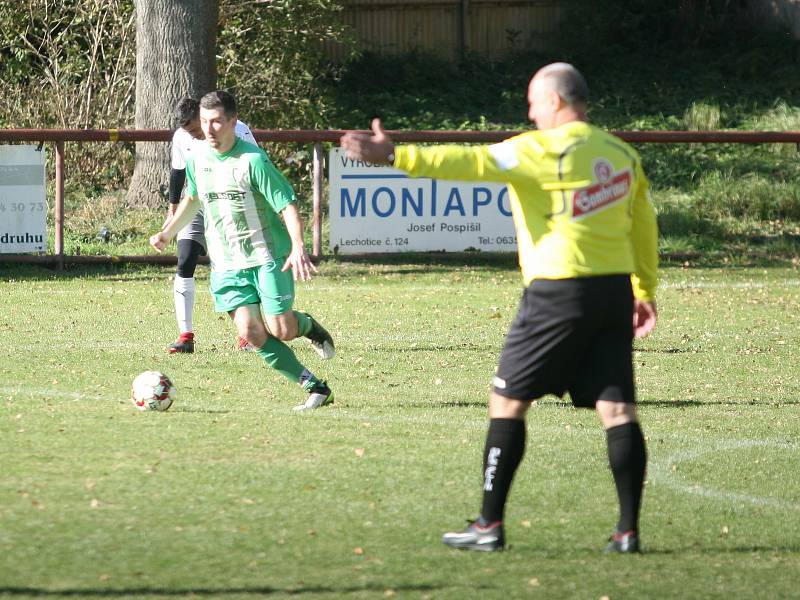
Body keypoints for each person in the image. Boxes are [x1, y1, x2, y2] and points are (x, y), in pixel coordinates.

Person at [340, 62, 658, 552]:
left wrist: (396, 155)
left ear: (554, 101)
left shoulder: (536, 149)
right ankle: (628, 531)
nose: (529, 112)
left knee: (507, 402)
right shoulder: (621, 154)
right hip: (612, 292)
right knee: (617, 408)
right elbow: (642, 225)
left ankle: (488, 525)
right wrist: (642, 288)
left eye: (533, 101)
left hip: (556, 292)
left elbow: (468, 164)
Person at [151, 90, 336, 411]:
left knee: (282, 328)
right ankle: (315, 386)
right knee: (251, 331)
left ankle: (307, 326)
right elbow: (192, 198)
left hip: (266, 258)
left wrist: (298, 246)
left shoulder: (252, 160)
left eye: (216, 122)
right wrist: (167, 231)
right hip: (226, 264)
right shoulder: (197, 159)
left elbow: (287, 204)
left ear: (232, 123)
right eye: (205, 122)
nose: (208, 130)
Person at [165, 97, 258, 354]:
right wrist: (173, 209)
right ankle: (185, 336)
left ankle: (247, 334)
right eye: (190, 132)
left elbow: (256, 166)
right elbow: (178, 171)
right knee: (185, 261)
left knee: (230, 270)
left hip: (230, 206)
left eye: (197, 129)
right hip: (196, 203)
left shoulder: (237, 130)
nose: (195, 136)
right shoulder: (182, 137)